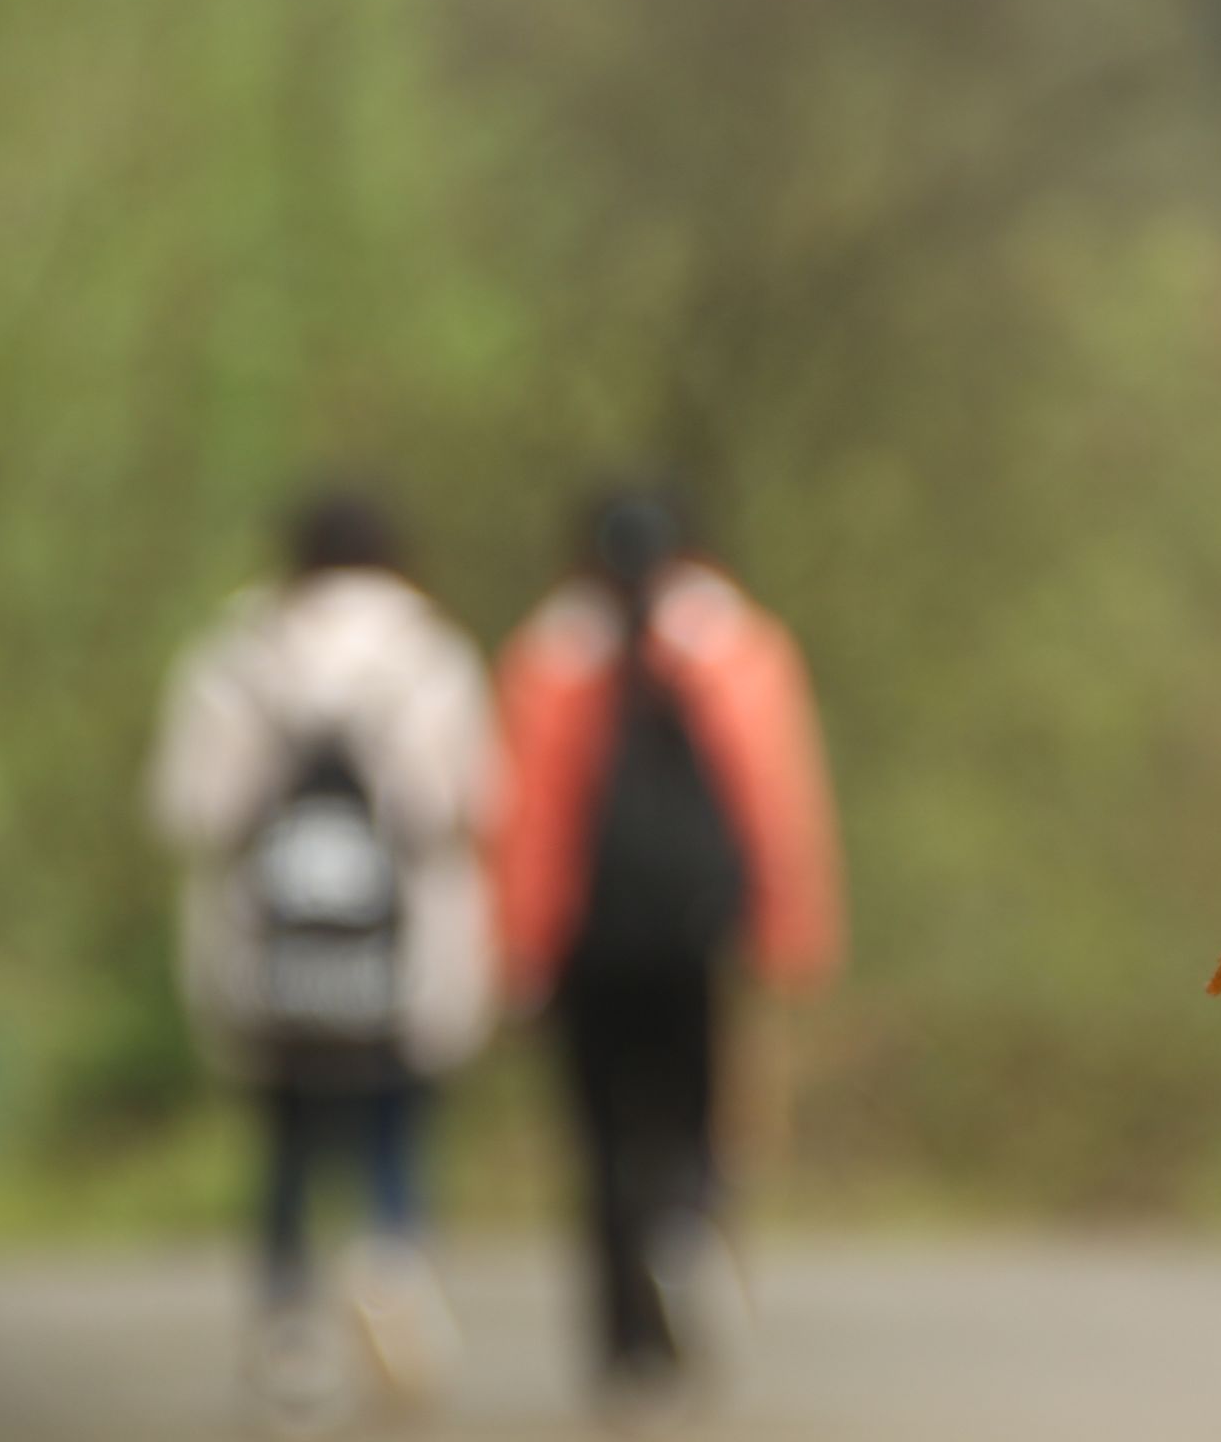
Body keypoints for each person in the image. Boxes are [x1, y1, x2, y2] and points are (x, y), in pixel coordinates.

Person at [147, 489, 503, 1427]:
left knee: (287, 1142)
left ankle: (288, 1334)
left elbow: (188, 810)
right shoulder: (434, 658)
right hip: (404, 956)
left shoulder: (232, 659)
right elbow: (474, 804)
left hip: (266, 957)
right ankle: (390, 1261)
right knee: (394, 1121)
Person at [496, 488, 843, 1398]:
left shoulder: (549, 656)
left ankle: (625, 1341)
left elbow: (529, 818)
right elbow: (775, 798)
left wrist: (522, 944)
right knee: (693, 1113)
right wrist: (789, 925)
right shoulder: (738, 647)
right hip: (696, 933)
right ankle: (686, 1232)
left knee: (601, 1135)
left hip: (587, 943)